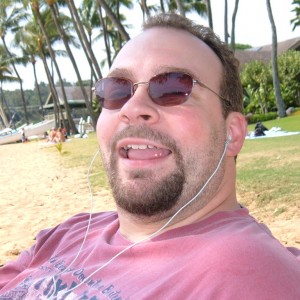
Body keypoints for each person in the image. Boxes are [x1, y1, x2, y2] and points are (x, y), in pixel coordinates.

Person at [0, 13, 299, 299]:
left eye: (172, 88)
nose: (131, 107)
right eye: (116, 90)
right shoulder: (70, 232)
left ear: (232, 133)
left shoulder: (249, 273)